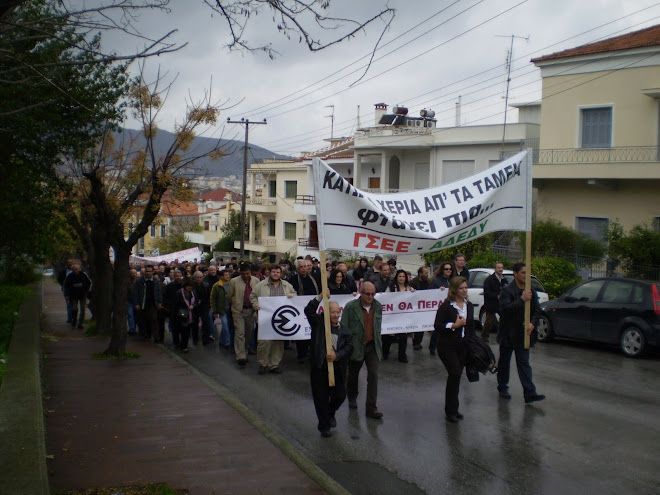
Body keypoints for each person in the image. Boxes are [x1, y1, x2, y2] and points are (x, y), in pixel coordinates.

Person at [304, 289, 354, 437]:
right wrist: (320, 297)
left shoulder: (344, 331)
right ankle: (324, 426)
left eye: (338, 312)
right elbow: (309, 310)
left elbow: (349, 348)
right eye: (332, 312)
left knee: (340, 395)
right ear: (326, 312)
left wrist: (337, 355)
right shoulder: (319, 324)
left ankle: (330, 413)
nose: (335, 315)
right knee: (321, 398)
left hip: (337, 368)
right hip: (320, 367)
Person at [497, 262, 545, 404]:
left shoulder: (531, 290)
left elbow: (537, 309)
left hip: (523, 334)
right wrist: (521, 299)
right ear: (515, 274)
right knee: (504, 363)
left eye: (527, 273)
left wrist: (532, 323)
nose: (525, 275)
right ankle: (502, 386)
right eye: (523, 273)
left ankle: (530, 392)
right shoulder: (507, 291)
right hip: (508, 333)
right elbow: (505, 310)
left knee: (524, 363)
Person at [433, 276, 475, 422]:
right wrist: (453, 325)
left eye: (465, 288)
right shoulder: (447, 306)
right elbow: (437, 326)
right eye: (461, 288)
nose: (464, 290)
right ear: (454, 290)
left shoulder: (468, 306)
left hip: (462, 347)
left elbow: (471, 328)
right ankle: (450, 411)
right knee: (455, 373)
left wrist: (474, 345)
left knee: (456, 377)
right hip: (447, 346)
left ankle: (454, 409)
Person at [343, 281, 384, 419]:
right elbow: (344, 328)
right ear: (361, 292)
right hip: (356, 346)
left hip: (372, 346)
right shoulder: (351, 307)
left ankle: (371, 408)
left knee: (373, 375)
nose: (371, 297)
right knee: (353, 375)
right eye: (368, 294)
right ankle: (352, 397)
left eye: (373, 294)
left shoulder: (377, 306)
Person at [250, 265, 296, 375]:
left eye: (278, 272)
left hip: (281, 318)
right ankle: (263, 364)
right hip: (265, 317)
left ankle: (274, 365)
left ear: (281, 274)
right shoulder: (261, 285)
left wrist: (292, 295)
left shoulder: (286, 285)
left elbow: (295, 294)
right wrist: (256, 305)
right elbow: (252, 296)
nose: (275, 274)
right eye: (273, 272)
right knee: (264, 342)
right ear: (270, 273)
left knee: (278, 342)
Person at [227, 262, 260, 367]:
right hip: (238, 311)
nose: (246, 275)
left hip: (251, 311)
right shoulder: (234, 281)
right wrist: (235, 304)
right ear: (240, 272)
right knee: (240, 333)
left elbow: (258, 295)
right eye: (243, 273)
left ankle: (245, 350)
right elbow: (229, 296)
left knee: (248, 333)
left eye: (247, 273)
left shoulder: (256, 281)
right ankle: (240, 356)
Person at [289, 258, 320, 363]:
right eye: (301, 267)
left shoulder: (314, 278)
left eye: (305, 267)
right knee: (301, 331)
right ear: (297, 269)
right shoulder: (293, 279)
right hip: (299, 309)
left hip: (312, 308)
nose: (303, 269)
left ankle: (311, 353)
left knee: (312, 331)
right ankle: (301, 354)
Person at [384, 269, 415, 363]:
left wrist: (415, 293)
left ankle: (402, 355)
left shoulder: (409, 288)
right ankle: (385, 352)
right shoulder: (391, 287)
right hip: (393, 316)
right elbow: (385, 298)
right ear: (396, 277)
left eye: (403, 276)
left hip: (404, 317)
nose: (401, 278)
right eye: (400, 276)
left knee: (403, 337)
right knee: (389, 336)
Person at [134, 265, 163, 341]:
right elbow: (136, 293)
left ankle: (156, 337)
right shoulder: (140, 281)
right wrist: (136, 303)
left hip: (153, 303)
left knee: (154, 319)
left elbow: (159, 292)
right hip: (143, 303)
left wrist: (160, 302)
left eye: (150, 271)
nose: (148, 273)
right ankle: (146, 334)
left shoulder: (156, 281)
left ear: (153, 272)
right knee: (144, 320)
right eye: (147, 271)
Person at [481, 261, 507, 342]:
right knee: (489, 321)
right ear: (495, 269)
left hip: (501, 304)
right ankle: (484, 335)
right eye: (499, 268)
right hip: (491, 303)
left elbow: (507, 289)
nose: (501, 269)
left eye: (502, 268)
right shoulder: (489, 279)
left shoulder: (504, 279)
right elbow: (487, 292)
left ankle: (502, 335)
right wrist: (496, 295)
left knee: (504, 319)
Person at [63, 263, 92, 329]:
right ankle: (74, 319)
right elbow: (66, 285)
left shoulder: (83, 275)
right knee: (74, 308)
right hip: (73, 295)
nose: (75, 270)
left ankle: (80, 323)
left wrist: (86, 290)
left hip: (82, 294)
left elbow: (88, 283)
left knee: (83, 309)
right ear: (73, 269)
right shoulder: (70, 276)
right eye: (74, 269)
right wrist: (67, 294)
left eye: (77, 269)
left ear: (79, 269)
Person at [411, 266, 431, 350]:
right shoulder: (413, 282)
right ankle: (415, 341)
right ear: (420, 274)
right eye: (425, 273)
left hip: (424, 307)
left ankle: (418, 342)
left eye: (427, 273)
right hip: (415, 307)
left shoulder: (428, 282)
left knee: (422, 325)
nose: (427, 275)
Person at [174, 278, 197, 353]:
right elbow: (176, 304)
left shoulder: (193, 293)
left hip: (190, 315)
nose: (190, 288)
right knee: (183, 330)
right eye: (188, 287)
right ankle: (183, 345)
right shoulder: (179, 293)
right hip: (182, 315)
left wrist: (193, 306)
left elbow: (196, 301)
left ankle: (184, 344)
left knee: (187, 331)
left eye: (191, 287)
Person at [163, 269, 184, 346]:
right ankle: (176, 342)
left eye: (179, 276)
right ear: (174, 277)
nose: (178, 278)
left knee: (183, 326)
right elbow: (165, 297)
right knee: (175, 327)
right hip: (173, 309)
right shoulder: (169, 286)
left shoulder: (184, 286)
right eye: (177, 276)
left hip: (183, 309)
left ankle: (183, 342)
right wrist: (168, 306)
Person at [193, 271, 213, 345]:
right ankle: (195, 338)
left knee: (205, 322)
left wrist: (208, 305)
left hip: (204, 306)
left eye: (200, 277)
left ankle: (205, 338)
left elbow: (209, 295)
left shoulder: (206, 285)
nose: (199, 279)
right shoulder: (192, 286)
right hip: (195, 306)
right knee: (194, 323)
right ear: (194, 278)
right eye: (197, 277)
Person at [127, 268, 139, 335]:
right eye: (132, 273)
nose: (133, 275)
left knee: (137, 316)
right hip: (130, 301)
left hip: (137, 301)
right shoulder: (128, 282)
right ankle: (132, 329)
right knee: (130, 315)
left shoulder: (139, 282)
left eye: (134, 273)